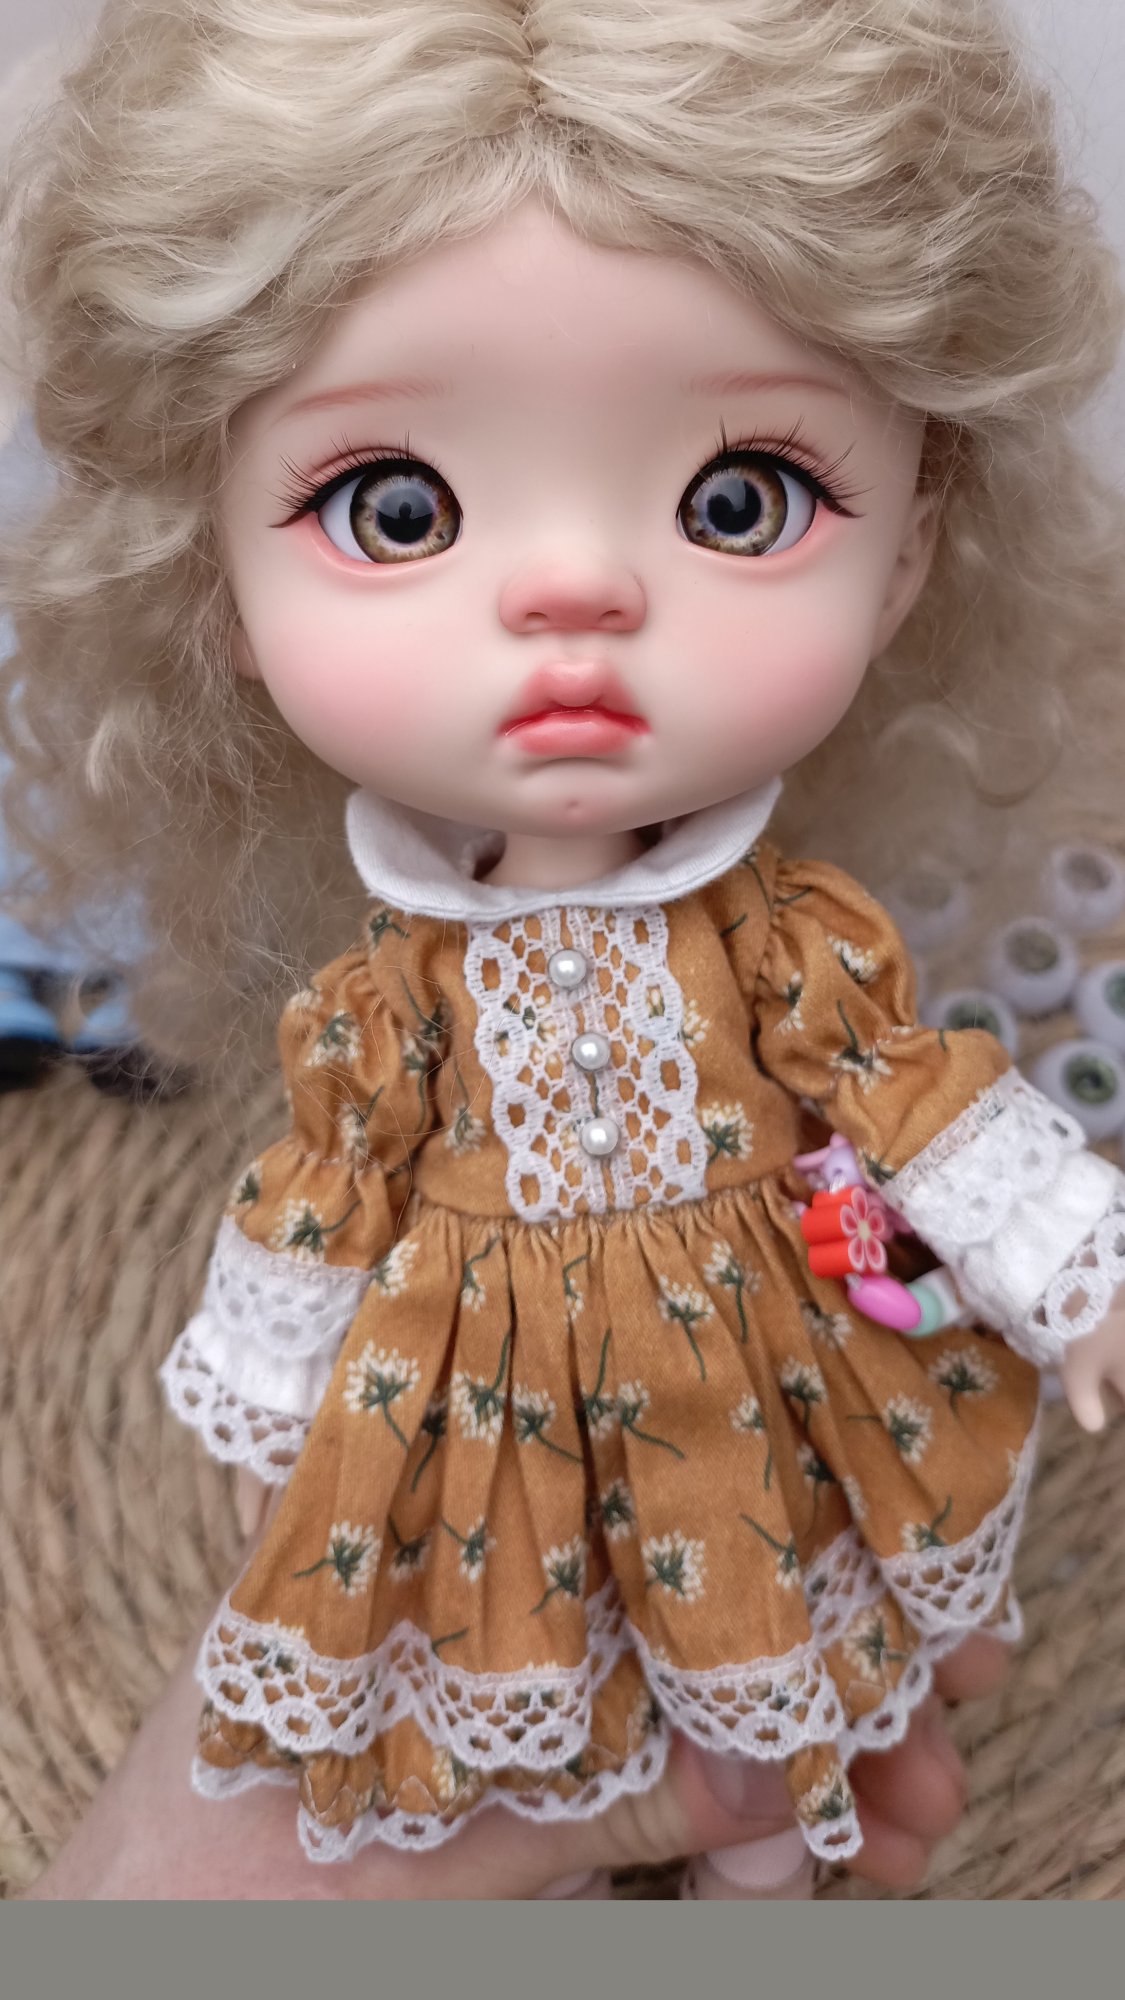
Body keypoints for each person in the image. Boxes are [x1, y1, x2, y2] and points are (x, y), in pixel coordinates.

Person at [3, 0, 1124, 1900]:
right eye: (397, 508)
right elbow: (331, 1188)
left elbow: (902, 1092)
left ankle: (757, 1850)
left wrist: (1068, 1271)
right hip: (490, 1426)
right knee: (520, 1680)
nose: (575, 593)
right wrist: (282, 1406)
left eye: (737, 501)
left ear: (912, 552)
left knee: (798, 1705)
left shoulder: (791, 946)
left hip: (759, 1392)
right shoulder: (387, 1011)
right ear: (215, 579)